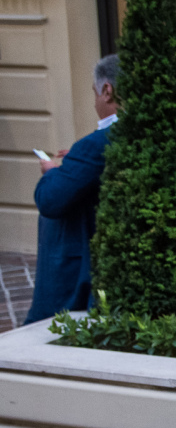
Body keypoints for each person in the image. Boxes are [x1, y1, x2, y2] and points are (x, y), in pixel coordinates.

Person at [25, 55, 120, 324]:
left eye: (94, 92)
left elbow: (51, 200)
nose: (94, 102)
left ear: (106, 90)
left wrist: (52, 172)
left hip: (77, 269)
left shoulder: (97, 143)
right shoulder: (139, 132)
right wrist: (74, 163)